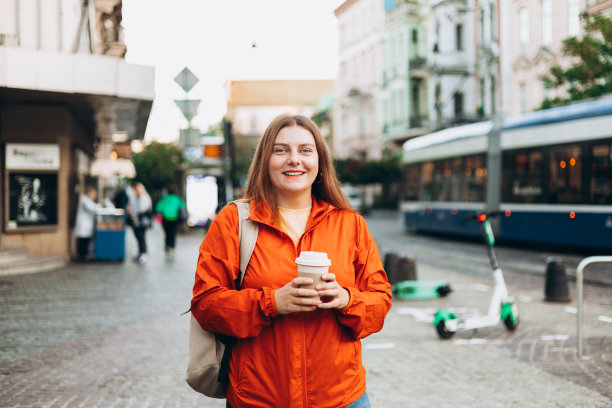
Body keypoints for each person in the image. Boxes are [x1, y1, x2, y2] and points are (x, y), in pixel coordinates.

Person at [191, 113, 392, 408]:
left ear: (319, 162)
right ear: (265, 160)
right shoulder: (234, 221)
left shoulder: (350, 224)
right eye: (281, 149)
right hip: (259, 399)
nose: (294, 159)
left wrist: (345, 299)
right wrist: (272, 303)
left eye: (305, 150)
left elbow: (380, 302)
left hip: (342, 399)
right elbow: (205, 304)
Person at [155, 183, 186, 258]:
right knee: (173, 233)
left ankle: (167, 246)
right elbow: (183, 208)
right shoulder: (178, 199)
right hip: (175, 219)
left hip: (165, 219)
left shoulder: (164, 199)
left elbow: (159, 208)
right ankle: (172, 248)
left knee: (167, 233)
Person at [74, 185, 99, 262]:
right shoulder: (84, 199)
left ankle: (84, 255)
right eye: (94, 194)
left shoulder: (88, 199)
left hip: (86, 225)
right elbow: (91, 208)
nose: (95, 195)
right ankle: (82, 256)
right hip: (83, 224)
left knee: (85, 240)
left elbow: (94, 207)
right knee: (82, 240)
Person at [130, 182, 152, 264]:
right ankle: (141, 253)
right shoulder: (140, 197)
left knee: (141, 238)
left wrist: (133, 212)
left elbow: (141, 209)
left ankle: (143, 254)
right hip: (139, 221)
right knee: (140, 238)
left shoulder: (143, 197)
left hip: (142, 221)